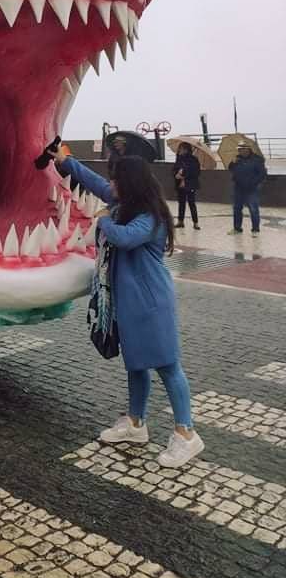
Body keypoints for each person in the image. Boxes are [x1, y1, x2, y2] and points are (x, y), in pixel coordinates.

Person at [50, 146, 204, 467]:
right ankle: (136, 424)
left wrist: (103, 219)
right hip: (128, 302)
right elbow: (94, 183)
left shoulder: (151, 216)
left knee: (167, 365)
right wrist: (67, 163)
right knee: (135, 364)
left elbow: (124, 238)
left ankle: (186, 434)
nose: (112, 186)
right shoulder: (124, 203)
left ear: (130, 184)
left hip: (151, 303)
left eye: (117, 181)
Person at [228, 142, 267, 236]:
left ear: (248, 149)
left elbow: (262, 174)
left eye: (241, 149)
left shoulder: (257, 160)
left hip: (251, 188)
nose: (240, 151)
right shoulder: (237, 159)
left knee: (253, 209)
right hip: (238, 188)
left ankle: (255, 230)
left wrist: (253, 183)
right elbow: (231, 169)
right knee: (237, 208)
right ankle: (237, 228)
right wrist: (232, 163)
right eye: (239, 149)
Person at [173, 142, 201, 229]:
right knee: (181, 203)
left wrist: (184, 174)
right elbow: (174, 169)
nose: (179, 150)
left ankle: (195, 222)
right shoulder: (179, 159)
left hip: (190, 184)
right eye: (179, 148)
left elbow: (196, 172)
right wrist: (176, 174)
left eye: (181, 148)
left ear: (186, 149)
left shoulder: (193, 159)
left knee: (191, 203)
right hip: (180, 184)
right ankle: (180, 221)